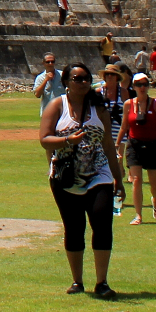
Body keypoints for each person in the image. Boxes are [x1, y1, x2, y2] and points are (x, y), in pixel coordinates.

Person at [40, 64, 120, 297]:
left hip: (99, 173)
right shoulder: (57, 105)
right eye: (78, 78)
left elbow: (108, 145)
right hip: (66, 176)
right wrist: (67, 142)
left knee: (102, 223)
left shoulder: (99, 108)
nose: (83, 82)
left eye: (86, 78)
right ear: (66, 81)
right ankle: (77, 281)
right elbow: (44, 139)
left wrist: (118, 179)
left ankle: (102, 282)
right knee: (74, 228)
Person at [123, 73, 156, 223]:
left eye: (145, 84)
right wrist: (118, 145)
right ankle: (138, 215)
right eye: (139, 84)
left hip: (151, 145)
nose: (142, 87)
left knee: (155, 183)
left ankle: (155, 200)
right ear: (134, 86)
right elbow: (125, 126)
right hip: (134, 144)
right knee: (136, 180)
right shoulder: (128, 104)